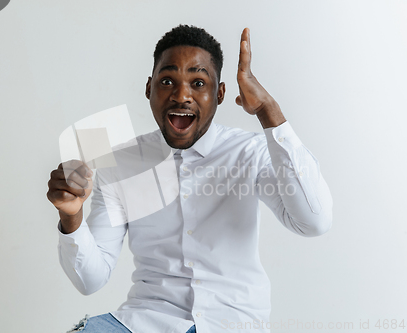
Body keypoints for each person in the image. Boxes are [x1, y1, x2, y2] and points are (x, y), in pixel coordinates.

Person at [47, 25, 333, 333]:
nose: (182, 95)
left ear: (220, 94)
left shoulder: (248, 152)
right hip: (146, 321)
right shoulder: (120, 163)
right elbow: (90, 279)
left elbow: (313, 221)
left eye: (198, 83)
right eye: (167, 81)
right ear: (149, 88)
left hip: (232, 322)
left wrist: (267, 110)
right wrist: (71, 215)